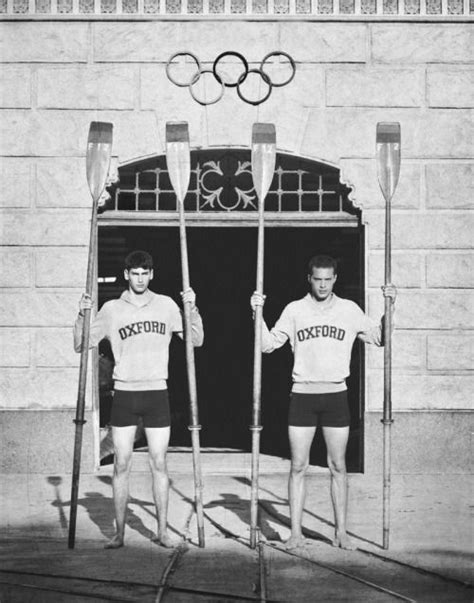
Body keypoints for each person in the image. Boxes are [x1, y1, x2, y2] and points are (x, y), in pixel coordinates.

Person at [251, 254, 396, 551]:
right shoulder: (295, 310)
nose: (323, 285)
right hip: (302, 395)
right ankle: (295, 533)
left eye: (328, 279)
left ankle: (341, 532)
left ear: (335, 279)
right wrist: (257, 314)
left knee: (338, 465)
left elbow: (380, 339)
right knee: (298, 466)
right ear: (309, 279)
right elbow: (267, 345)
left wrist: (390, 307)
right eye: (318, 279)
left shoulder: (348, 310)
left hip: (336, 395)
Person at [74, 250, 204, 549]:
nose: (140, 278)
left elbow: (195, 340)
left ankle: (162, 531)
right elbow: (82, 344)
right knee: (121, 463)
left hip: (157, 392)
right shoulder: (111, 309)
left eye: (145, 273)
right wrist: (82, 314)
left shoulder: (167, 306)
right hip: (125, 393)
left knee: (159, 463)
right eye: (135, 273)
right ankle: (119, 534)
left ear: (152, 274)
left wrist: (192, 309)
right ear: (126, 275)